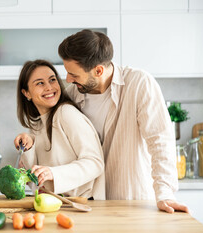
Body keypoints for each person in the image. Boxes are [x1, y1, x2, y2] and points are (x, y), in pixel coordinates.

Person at [58, 29, 189, 213]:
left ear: (98, 70)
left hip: (133, 201)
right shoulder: (72, 94)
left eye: (74, 74)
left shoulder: (139, 84)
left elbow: (159, 140)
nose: (68, 79)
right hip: (88, 204)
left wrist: (165, 192)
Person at [14, 59, 105, 199]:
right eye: (40, 83)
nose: (49, 87)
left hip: (82, 205)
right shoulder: (36, 125)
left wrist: (52, 173)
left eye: (52, 80)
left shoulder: (66, 113)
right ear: (27, 93)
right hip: (55, 204)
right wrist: (29, 146)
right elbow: (35, 182)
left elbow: (95, 163)